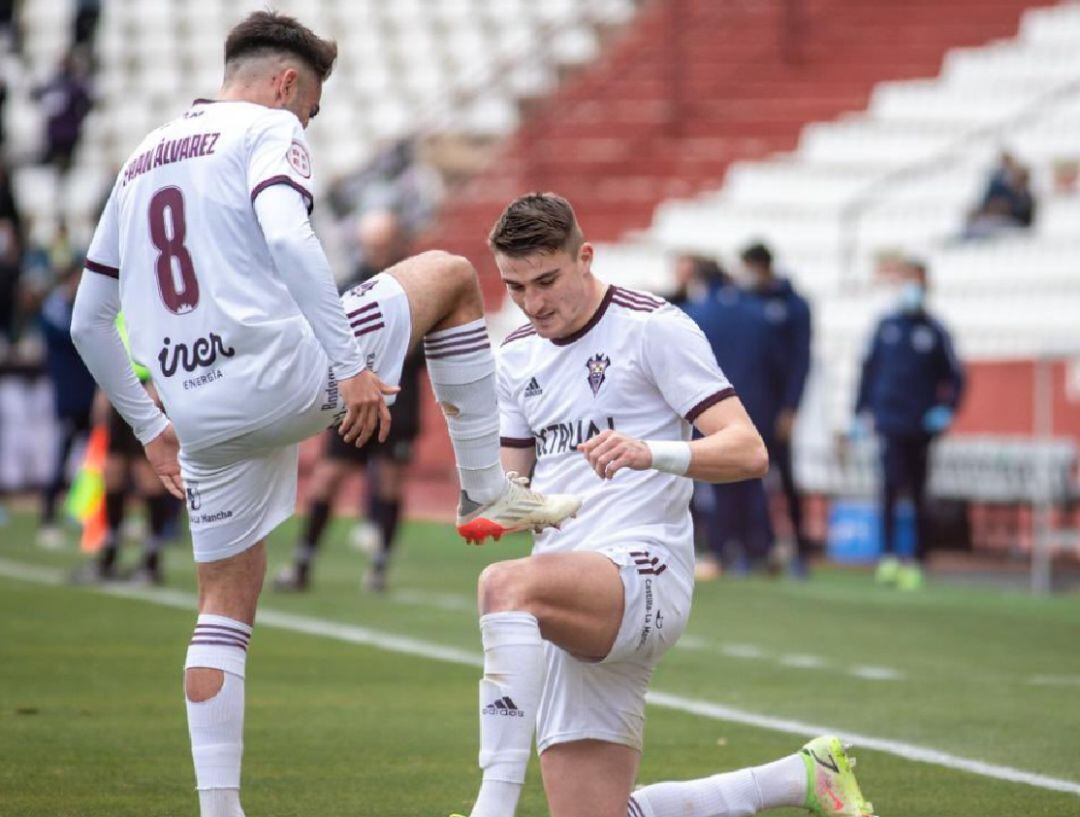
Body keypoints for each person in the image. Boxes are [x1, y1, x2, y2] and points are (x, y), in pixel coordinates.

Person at [69, 13, 580, 817]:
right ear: (285, 84)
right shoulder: (270, 129)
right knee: (448, 275)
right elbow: (288, 234)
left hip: (197, 412)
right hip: (283, 372)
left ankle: (219, 808)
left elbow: (85, 321)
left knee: (223, 600)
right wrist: (350, 369)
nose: (307, 120)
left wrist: (149, 425)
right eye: (310, 106)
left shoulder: (137, 162)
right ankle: (486, 488)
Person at [451, 193, 875, 817]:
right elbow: (509, 493)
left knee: (502, 588)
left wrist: (653, 452)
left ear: (585, 257)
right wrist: (488, 508)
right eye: (516, 287)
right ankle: (800, 778)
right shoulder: (514, 353)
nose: (534, 302)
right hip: (571, 596)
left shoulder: (653, 327)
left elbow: (748, 450)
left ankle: (492, 807)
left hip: (643, 572)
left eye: (547, 280)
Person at [275, 210, 423, 593]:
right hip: (354, 401)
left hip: (398, 402)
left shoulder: (414, 286)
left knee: (390, 482)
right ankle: (303, 562)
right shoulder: (349, 286)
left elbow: (423, 348)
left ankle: (379, 567)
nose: (376, 251)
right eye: (371, 244)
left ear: (397, 243)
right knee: (326, 479)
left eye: (383, 244)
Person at [853, 258, 965, 591]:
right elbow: (868, 372)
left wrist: (946, 409)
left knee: (918, 494)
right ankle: (887, 557)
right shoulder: (886, 326)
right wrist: (860, 411)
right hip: (889, 422)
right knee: (888, 490)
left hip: (921, 426)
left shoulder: (935, 330)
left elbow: (956, 378)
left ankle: (917, 559)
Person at [682, 256, 785, 576]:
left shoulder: (693, 316)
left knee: (715, 479)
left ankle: (722, 547)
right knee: (754, 480)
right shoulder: (758, 313)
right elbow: (777, 365)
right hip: (757, 406)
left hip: (710, 409)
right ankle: (760, 547)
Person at [740, 241, 813, 576]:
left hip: (778, 407)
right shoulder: (746, 301)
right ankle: (761, 548)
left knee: (786, 478)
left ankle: (800, 547)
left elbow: (801, 361)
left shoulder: (794, 306)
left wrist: (791, 407)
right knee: (752, 479)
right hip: (750, 404)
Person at [36, 267, 97, 547]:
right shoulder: (55, 310)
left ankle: (84, 511)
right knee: (62, 456)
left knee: (93, 460)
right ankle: (48, 515)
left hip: (91, 394)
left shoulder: (76, 307)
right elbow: (77, 334)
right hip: (70, 396)